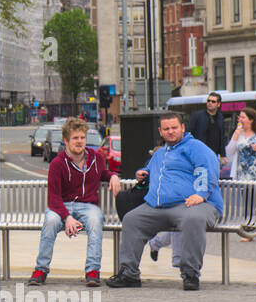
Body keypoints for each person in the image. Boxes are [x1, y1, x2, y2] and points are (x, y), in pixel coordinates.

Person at [106, 111, 223, 292]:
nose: (171, 132)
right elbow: (152, 170)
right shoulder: (160, 153)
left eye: (174, 128)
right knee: (132, 219)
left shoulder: (196, 147)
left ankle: (190, 275)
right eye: (166, 129)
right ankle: (129, 274)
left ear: (182, 128)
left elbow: (207, 169)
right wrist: (143, 172)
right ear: (160, 131)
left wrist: (201, 193)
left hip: (194, 204)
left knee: (194, 219)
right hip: (158, 206)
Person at [28, 118, 121, 287]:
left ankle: (92, 271)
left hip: (88, 206)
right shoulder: (57, 163)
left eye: (82, 138)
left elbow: (104, 173)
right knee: (50, 221)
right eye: (75, 138)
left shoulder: (96, 158)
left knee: (95, 220)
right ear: (66, 141)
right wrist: (68, 218)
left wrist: (113, 176)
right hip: (61, 206)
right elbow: (53, 198)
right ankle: (40, 270)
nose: (79, 142)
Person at [227, 107, 256, 243]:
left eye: (243, 117)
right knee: (247, 203)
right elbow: (229, 152)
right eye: (239, 117)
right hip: (243, 174)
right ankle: (248, 232)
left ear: (251, 119)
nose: (240, 120)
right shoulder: (239, 133)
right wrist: (235, 136)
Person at [187, 91, 226, 160]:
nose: (210, 103)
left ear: (218, 104)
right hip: (199, 154)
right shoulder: (197, 116)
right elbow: (189, 134)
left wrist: (223, 155)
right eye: (208, 101)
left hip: (214, 155)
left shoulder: (220, 118)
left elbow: (221, 137)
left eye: (213, 101)